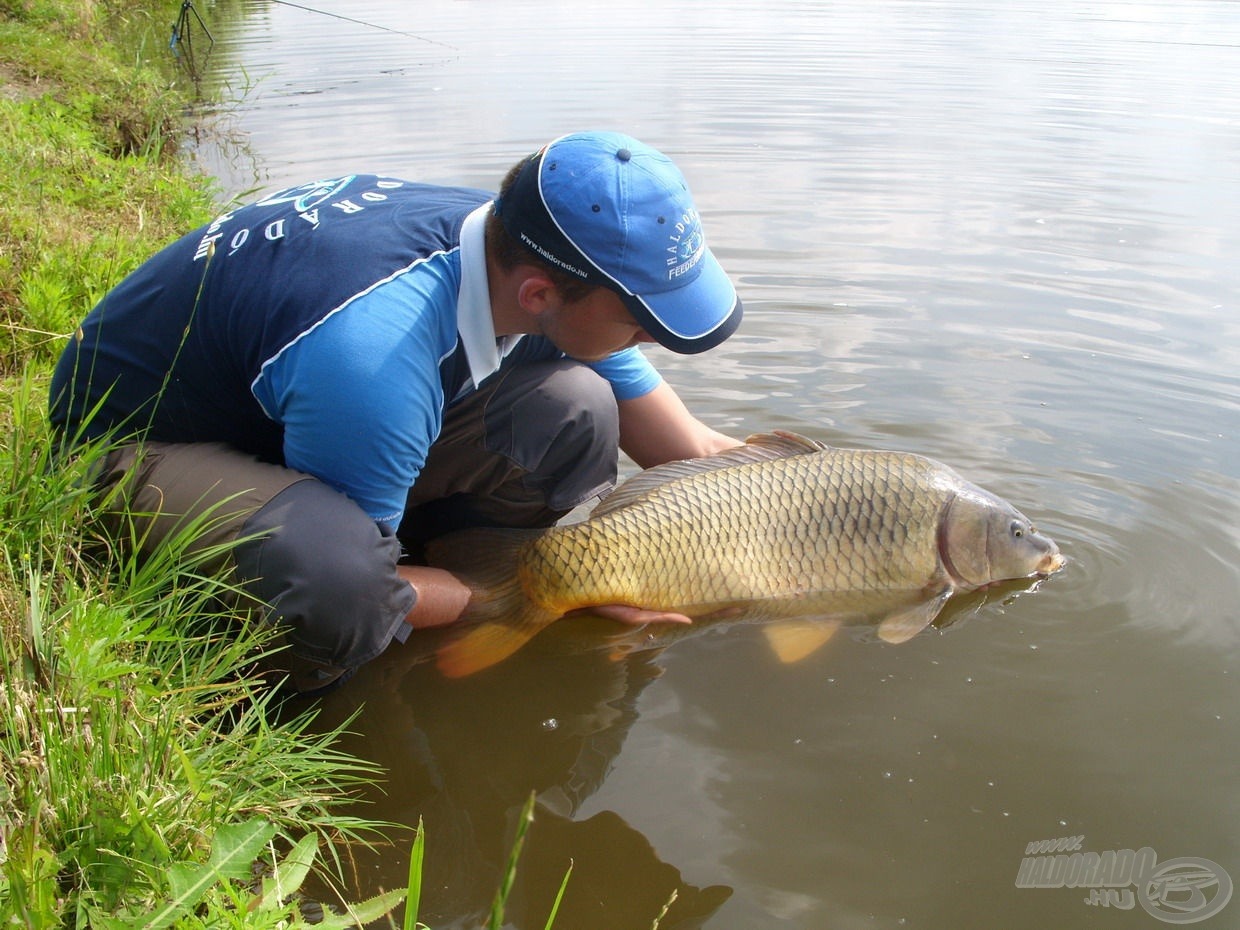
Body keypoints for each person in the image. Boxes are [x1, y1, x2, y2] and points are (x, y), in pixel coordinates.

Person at [49, 130, 743, 694]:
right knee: (339, 581)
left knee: (580, 405)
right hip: (124, 447)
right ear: (539, 296)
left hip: (301, 402)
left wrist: (805, 502)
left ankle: (448, 556)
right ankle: (309, 670)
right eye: (642, 320)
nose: (653, 337)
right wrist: (549, 588)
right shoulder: (377, 357)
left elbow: (691, 451)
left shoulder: (524, 243)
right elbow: (376, 582)